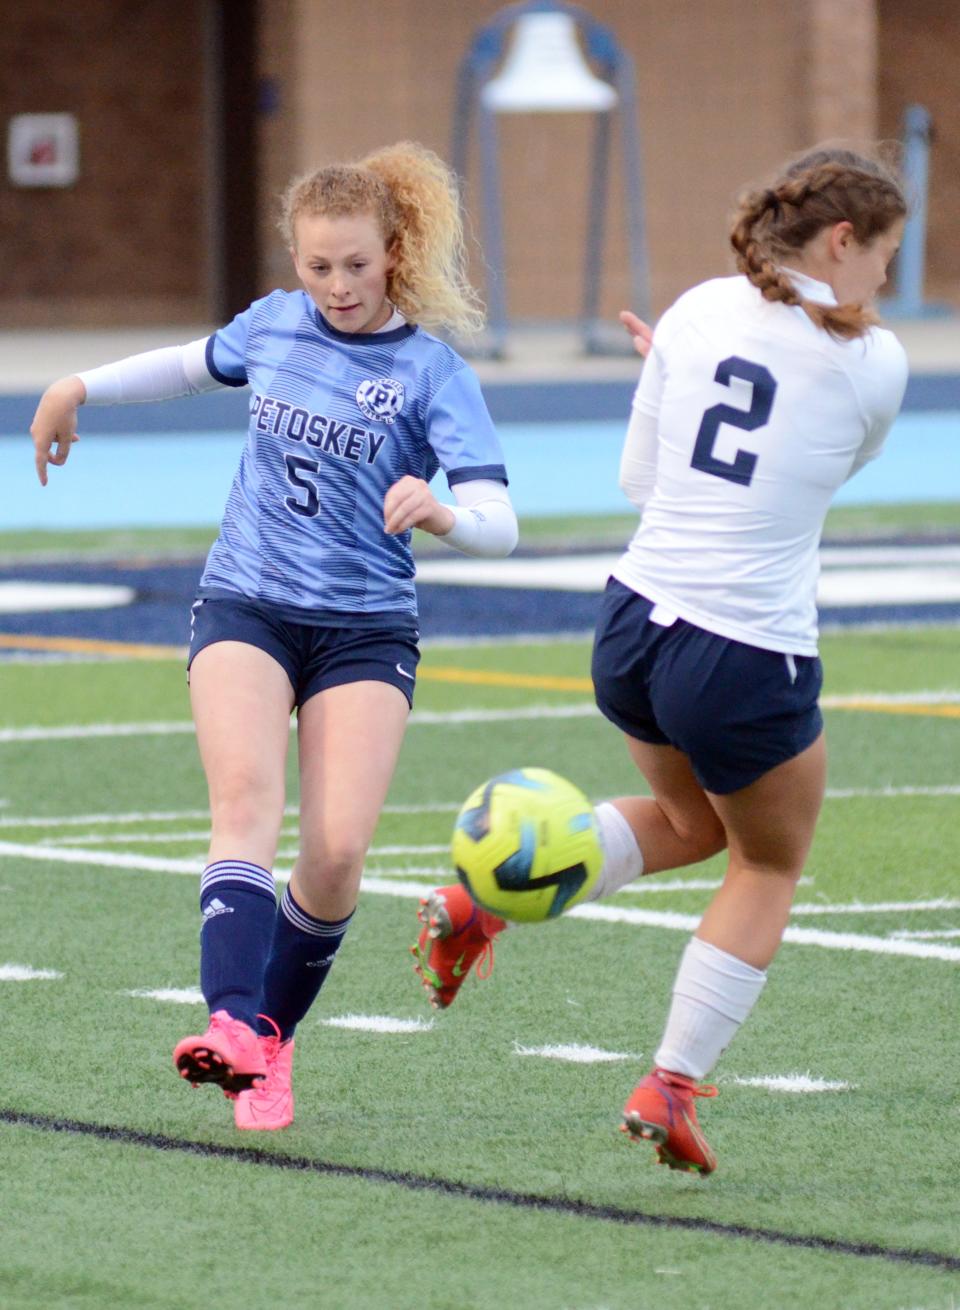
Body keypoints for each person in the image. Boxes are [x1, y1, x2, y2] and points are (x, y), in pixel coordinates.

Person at [411, 144, 908, 1174]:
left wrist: (672, 381)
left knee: (691, 824)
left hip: (633, 623)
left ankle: (479, 900)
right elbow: (826, 466)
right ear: (843, 238)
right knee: (766, 859)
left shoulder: (691, 311)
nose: (889, 281)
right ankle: (671, 1082)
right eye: (887, 254)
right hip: (743, 646)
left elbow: (644, 479)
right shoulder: (876, 362)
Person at [31, 141, 519, 1131]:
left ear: (393, 252)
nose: (335, 285)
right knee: (246, 803)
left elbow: (502, 524)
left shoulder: (432, 373)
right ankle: (225, 1021)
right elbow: (185, 363)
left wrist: (442, 514)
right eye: (315, 265)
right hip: (246, 603)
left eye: (354, 264)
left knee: (337, 852)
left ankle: (267, 1037)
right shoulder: (274, 323)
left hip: (365, 627)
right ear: (294, 260)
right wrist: (75, 385)